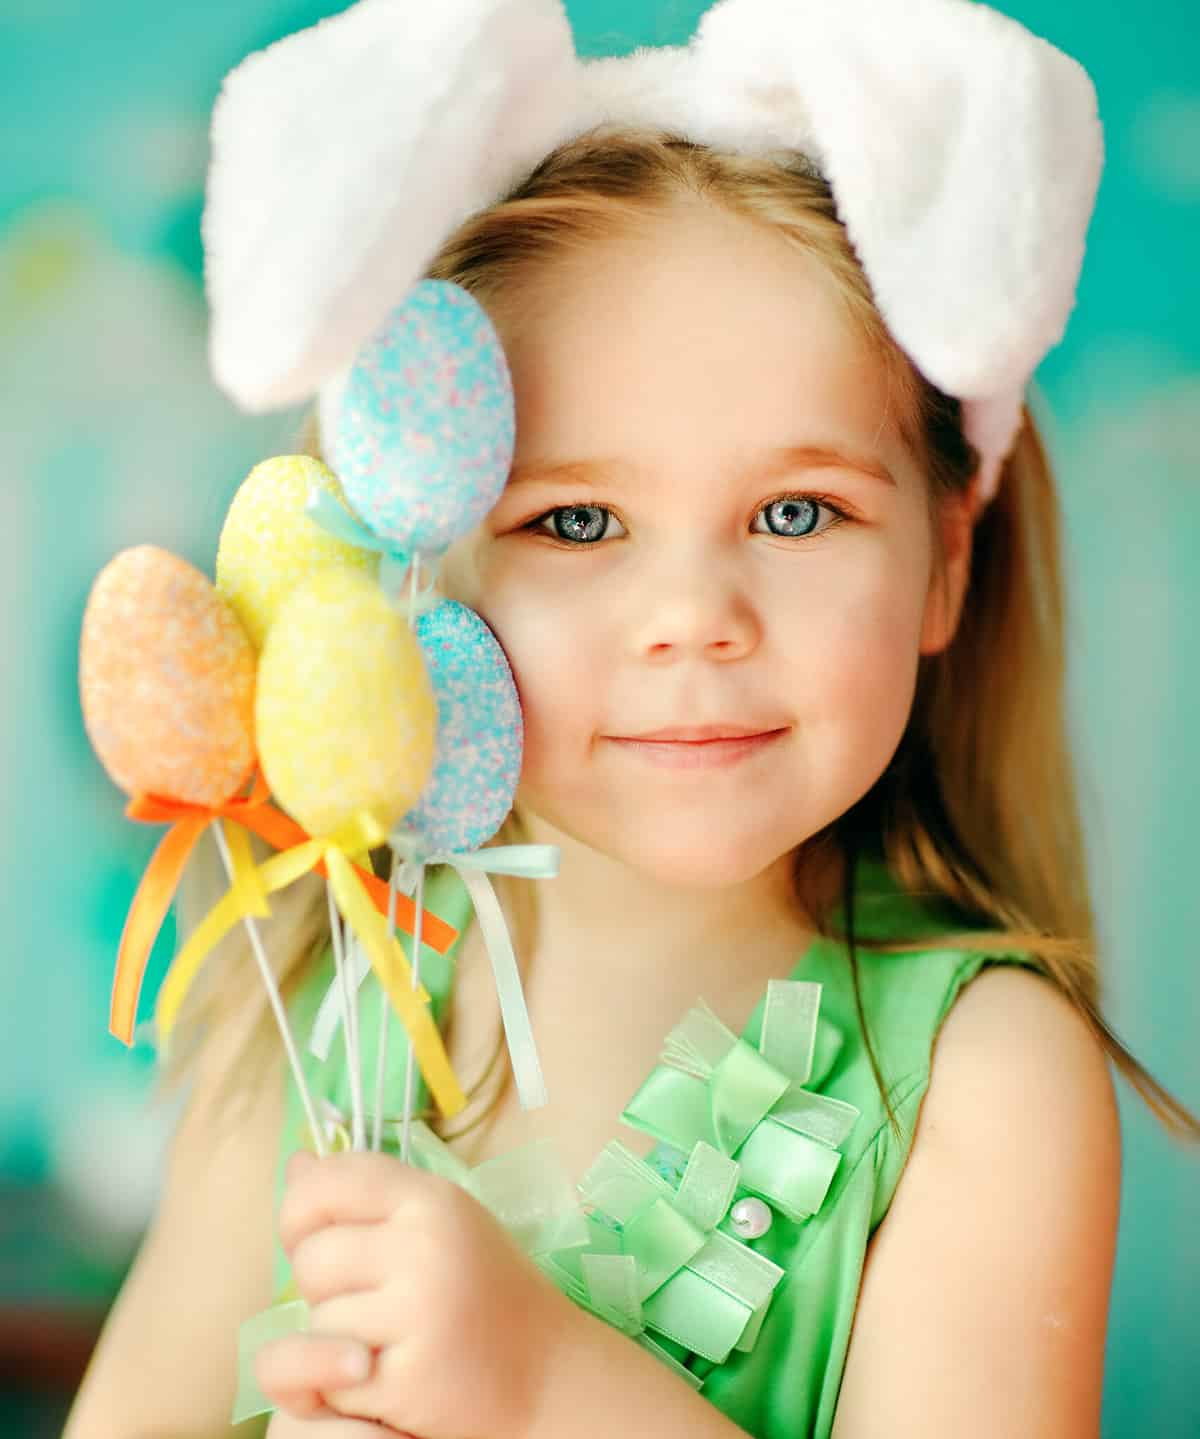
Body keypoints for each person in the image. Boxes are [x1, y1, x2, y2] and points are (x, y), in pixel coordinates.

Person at [65, 2, 1200, 1437]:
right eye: (579, 520)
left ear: (949, 558)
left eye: (796, 513)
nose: (694, 614)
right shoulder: (321, 1020)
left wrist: (542, 1390)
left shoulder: (987, 1081)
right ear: (415, 561)